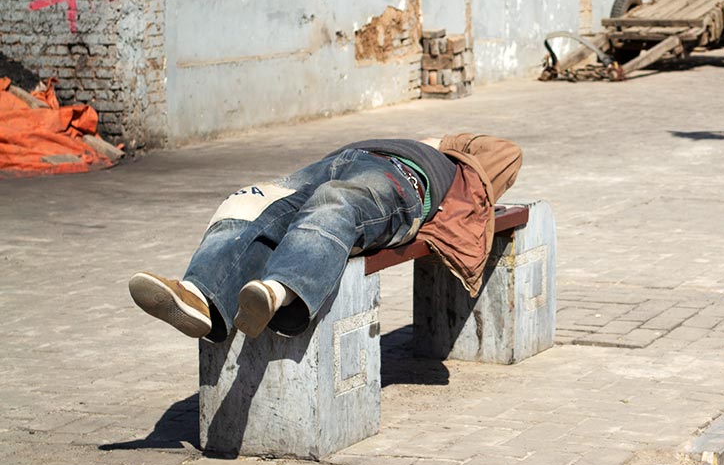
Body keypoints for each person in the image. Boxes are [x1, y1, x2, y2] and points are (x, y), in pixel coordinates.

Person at [128, 133, 522, 342]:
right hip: (336, 162)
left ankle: (278, 294)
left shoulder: (454, 170)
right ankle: (199, 296)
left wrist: (444, 145)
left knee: (336, 204)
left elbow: (506, 152)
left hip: (400, 181)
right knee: (249, 203)